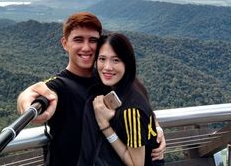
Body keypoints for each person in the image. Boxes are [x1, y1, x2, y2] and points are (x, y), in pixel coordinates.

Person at [17, 12, 166, 166]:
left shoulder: (108, 78)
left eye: (93, 40)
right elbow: (38, 92)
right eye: (78, 40)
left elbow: (136, 104)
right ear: (64, 43)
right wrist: (26, 102)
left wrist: (155, 129)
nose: (86, 47)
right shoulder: (60, 86)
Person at [77, 33, 165, 165]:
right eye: (102, 59)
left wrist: (105, 126)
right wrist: (156, 128)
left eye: (116, 60)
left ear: (127, 63)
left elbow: (136, 164)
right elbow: (148, 112)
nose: (107, 67)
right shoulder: (132, 84)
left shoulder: (131, 111)